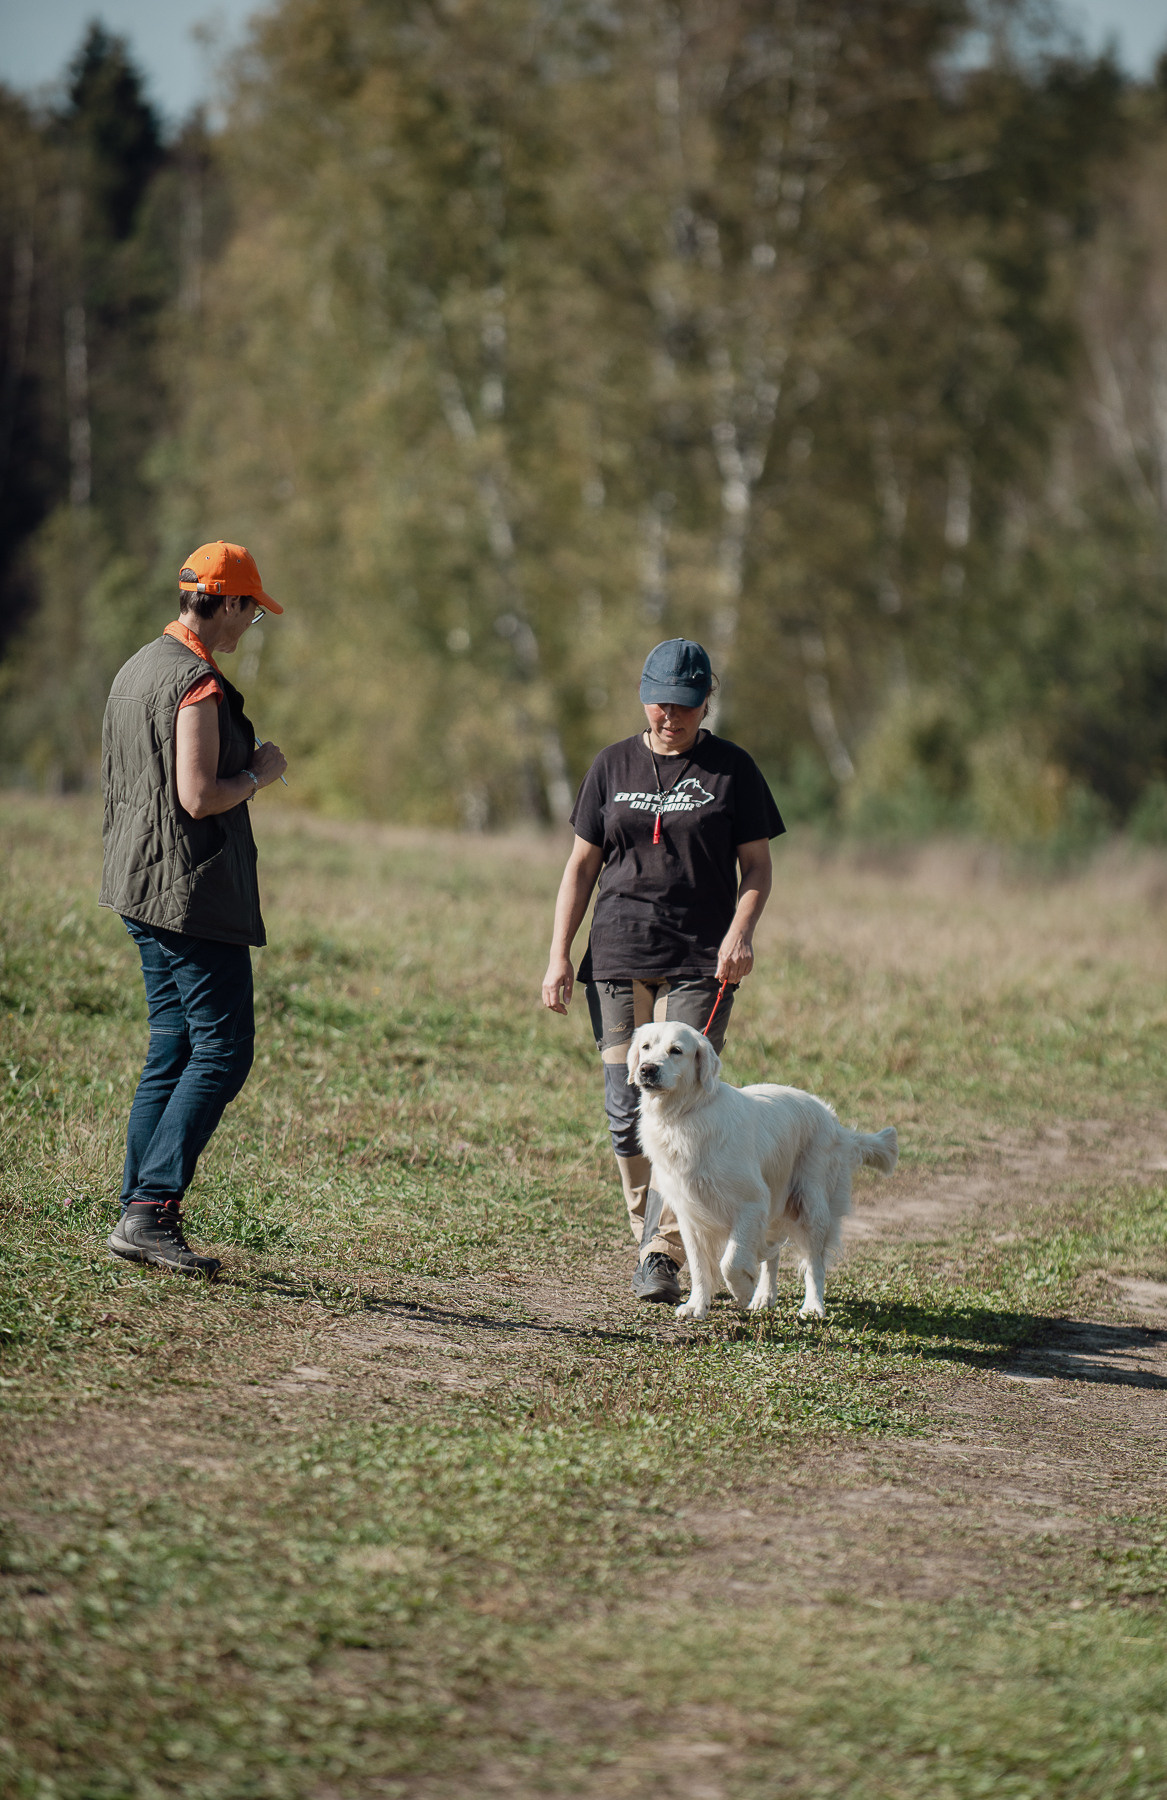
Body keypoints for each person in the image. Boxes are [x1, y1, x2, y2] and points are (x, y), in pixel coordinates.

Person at [541, 638, 785, 1304]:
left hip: (698, 962)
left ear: (705, 702)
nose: (668, 717)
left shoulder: (730, 769)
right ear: (643, 698)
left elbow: (757, 866)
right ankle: (651, 1241)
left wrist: (740, 934)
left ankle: (662, 1254)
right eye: (658, 704)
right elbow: (581, 865)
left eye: (683, 706)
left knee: (684, 1102)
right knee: (626, 1108)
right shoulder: (610, 764)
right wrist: (559, 951)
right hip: (617, 958)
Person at [100, 541, 288, 1279]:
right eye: (252, 610)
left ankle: (136, 1210)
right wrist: (260, 771)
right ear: (229, 603)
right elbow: (200, 795)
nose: (251, 624)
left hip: (137, 882)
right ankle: (150, 1211)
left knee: (173, 1045)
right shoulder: (197, 684)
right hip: (188, 894)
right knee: (221, 1049)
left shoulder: (137, 666)